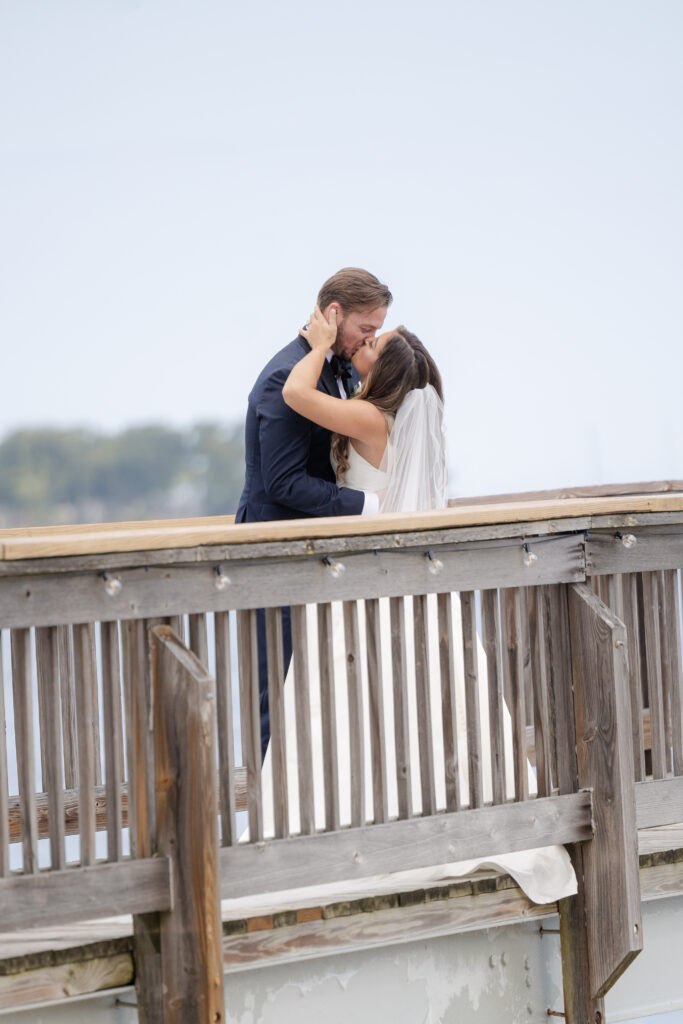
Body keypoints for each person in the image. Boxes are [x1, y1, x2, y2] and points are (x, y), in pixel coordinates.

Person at [236, 268, 393, 756]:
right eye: (365, 328)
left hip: (317, 555)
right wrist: (366, 506)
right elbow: (283, 483)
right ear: (333, 314)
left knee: (317, 693)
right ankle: (271, 818)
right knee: (276, 692)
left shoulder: (333, 367)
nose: (368, 340)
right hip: (275, 552)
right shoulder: (286, 376)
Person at [282, 305, 448, 514]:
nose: (365, 341)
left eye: (373, 344)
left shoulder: (371, 417)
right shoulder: (385, 418)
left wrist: (321, 346)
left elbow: (294, 392)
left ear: (384, 369)